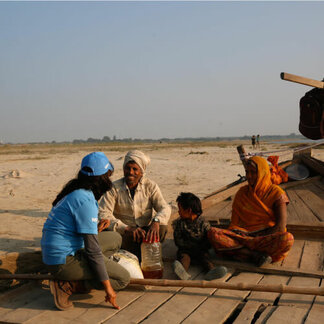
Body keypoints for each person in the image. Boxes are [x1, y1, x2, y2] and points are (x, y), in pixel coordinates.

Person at [41, 152, 130, 311]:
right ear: (101, 178)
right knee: (123, 278)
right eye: (108, 176)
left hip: (63, 250)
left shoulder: (76, 191)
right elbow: (93, 251)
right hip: (62, 262)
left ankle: (91, 270)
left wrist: (95, 229)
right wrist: (108, 288)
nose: (109, 180)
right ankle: (69, 284)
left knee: (115, 238)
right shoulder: (85, 199)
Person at [208, 156, 294, 266]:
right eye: (247, 172)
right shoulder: (242, 193)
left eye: (253, 172)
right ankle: (255, 256)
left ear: (263, 173)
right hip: (243, 237)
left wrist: (255, 238)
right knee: (213, 233)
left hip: (265, 238)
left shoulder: (277, 193)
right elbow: (234, 224)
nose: (249, 176)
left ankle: (241, 253)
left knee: (287, 239)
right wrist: (242, 235)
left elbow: (280, 227)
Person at [98, 150, 171, 258]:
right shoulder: (114, 188)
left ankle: (143, 251)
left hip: (144, 232)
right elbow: (103, 214)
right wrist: (126, 228)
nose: (130, 172)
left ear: (142, 171)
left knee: (162, 227)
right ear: (123, 169)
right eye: (128, 168)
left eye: (135, 169)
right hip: (123, 234)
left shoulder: (150, 186)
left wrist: (156, 221)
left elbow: (165, 208)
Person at [172, 192, 227, 281]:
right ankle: (182, 272)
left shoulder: (203, 223)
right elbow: (178, 240)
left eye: (180, 209)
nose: (178, 212)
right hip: (185, 249)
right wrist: (189, 246)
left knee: (205, 257)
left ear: (189, 210)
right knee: (184, 257)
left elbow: (209, 240)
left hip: (200, 250)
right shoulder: (179, 223)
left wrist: (200, 247)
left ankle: (211, 271)